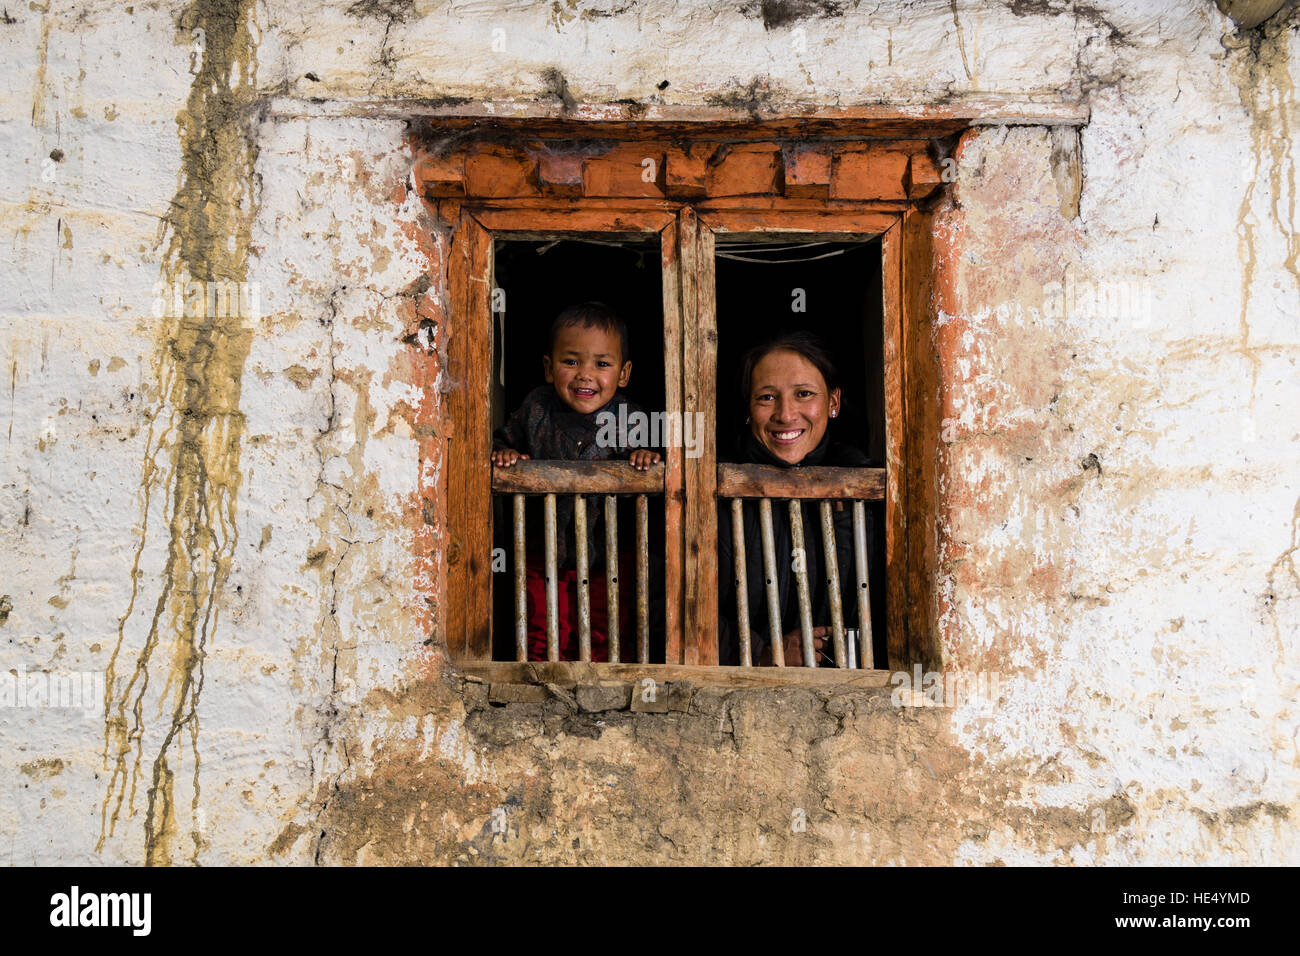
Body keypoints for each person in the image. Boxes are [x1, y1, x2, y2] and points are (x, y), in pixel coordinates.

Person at [493, 302, 660, 662]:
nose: (585, 374)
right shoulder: (537, 409)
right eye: (571, 361)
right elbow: (504, 441)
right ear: (548, 368)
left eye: (602, 364)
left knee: (606, 630)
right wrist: (507, 455)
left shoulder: (629, 418)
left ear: (624, 373)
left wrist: (645, 457)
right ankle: (538, 694)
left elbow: (654, 456)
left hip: (608, 554)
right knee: (541, 629)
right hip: (542, 549)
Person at [717, 331, 884, 667]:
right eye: (766, 397)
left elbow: (881, 602)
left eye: (804, 394)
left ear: (833, 402)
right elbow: (682, 604)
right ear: (748, 408)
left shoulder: (863, 487)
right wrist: (764, 653)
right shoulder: (719, 492)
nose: (786, 414)